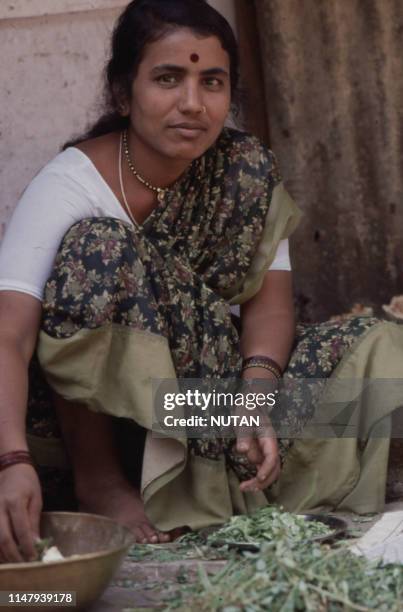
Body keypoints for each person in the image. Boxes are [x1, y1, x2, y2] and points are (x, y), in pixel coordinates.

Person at [0, 0, 402, 564]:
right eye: (168, 78)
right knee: (100, 246)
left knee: (381, 354)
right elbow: (9, 335)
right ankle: (107, 483)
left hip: (203, 405)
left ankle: (237, 460)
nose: (192, 103)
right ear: (123, 93)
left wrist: (255, 402)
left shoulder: (245, 170)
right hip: (112, 422)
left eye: (211, 82)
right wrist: (11, 462)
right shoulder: (72, 185)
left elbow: (270, 308)